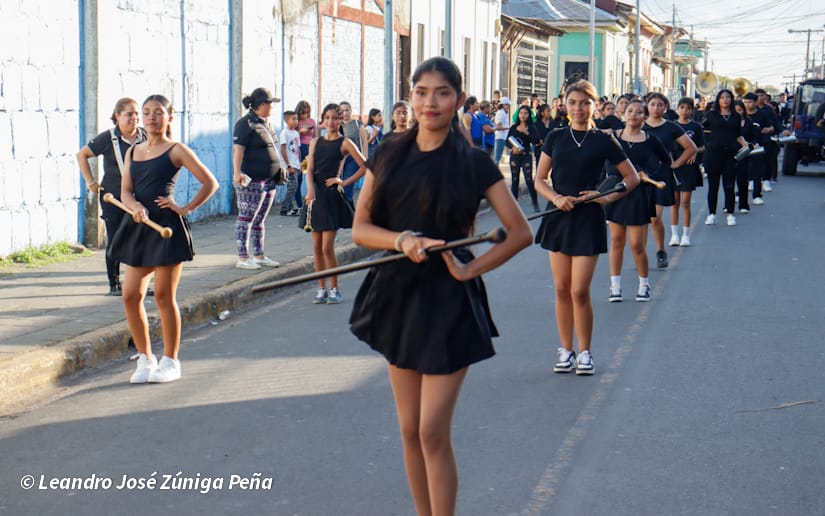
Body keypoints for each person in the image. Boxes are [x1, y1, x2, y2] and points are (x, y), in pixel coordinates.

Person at [349, 56, 531, 516]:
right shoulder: (388, 152)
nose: (431, 102)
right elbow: (361, 229)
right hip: (396, 293)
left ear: (459, 100)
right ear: (411, 96)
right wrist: (401, 239)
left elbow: (519, 232)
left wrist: (472, 269)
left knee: (432, 430)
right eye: (422, 92)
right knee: (409, 429)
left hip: (449, 299)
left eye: (442, 93)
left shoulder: (473, 163)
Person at [534, 80, 639, 376]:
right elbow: (539, 179)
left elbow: (631, 178)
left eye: (584, 102)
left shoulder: (604, 139)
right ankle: (565, 350)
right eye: (573, 102)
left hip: (588, 217)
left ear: (594, 104)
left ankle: (585, 352)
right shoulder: (556, 137)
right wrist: (556, 197)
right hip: (558, 214)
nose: (578, 108)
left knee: (580, 291)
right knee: (561, 288)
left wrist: (604, 197)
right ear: (564, 105)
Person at [110, 94, 219, 383]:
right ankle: (146, 360)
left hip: (167, 228)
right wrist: (134, 207)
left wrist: (185, 208)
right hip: (141, 228)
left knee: (162, 296)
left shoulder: (176, 150)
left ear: (169, 117)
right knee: (130, 295)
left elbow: (211, 182)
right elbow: (125, 192)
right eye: (146, 112)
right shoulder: (133, 151)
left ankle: (171, 361)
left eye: (158, 113)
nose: (150, 118)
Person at [76, 97, 147, 295]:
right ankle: (114, 284)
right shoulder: (107, 138)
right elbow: (82, 155)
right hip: (113, 197)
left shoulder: (145, 136)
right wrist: (91, 182)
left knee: (140, 239)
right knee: (115, 239)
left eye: (136, 114)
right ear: (117, 116)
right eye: (129, 114)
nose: (134, 118)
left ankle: (140, 284)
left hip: (139, 198)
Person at [299, 103, 366, 304]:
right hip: (315, 196)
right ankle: (321, 289)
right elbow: (309, 169)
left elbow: (365, 166)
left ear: (340, 120)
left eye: (335, 118)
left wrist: (343, 182)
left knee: (328, 247)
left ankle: (334, 288)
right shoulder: (315, 142)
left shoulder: (345, 143)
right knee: (316, 247)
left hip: (331, 196)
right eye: (327, 117)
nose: (331, 121)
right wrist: (309, 190)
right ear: (322, 120)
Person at [605, 99, 670, 302]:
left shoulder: (651, 140)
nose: (633, 114)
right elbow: (605, 164)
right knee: (616, 241)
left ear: (645, 116)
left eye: (639, 112)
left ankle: (644, 284)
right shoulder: (612, 138)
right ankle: (615, 286)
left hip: (639, 193)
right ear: (623, 114)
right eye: (630, 111)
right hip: (616, 191)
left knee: (636, 244)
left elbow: (665, 161)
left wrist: (647, 172)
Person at [232, 87, 284, 270]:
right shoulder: (245, 123)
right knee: (246, 218)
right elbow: (238, 150)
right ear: (262, 104)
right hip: (251, 180)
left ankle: (259, 255)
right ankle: (243, 257)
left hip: (268, 181)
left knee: (259, 219)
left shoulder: (265, 123)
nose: (272, 107)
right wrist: (237, 172)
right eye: (270, 103)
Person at [643, 93, 696, 268]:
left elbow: (691, 147)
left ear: (665, 107)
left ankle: (660, 250)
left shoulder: (671, 127)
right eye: (653, 104)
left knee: (655, 217)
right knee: (640, 219)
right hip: (640, 175)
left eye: (660, 105)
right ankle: (640, 253)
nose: (656, 108)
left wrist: (675, 165)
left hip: (661, 176)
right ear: (647, 106)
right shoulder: (639, 125)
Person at [702, 89, 750, 227]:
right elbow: (702, 130)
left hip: (731, 154)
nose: (725, 100)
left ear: (732, 99)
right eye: (722, 97)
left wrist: (746, 145)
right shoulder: (711, 115)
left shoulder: (735, 116)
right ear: (718, 100)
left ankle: (730, 213)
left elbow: (739, 135)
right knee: (713, 185)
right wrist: (706, 144)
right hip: (713, 154)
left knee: (729, 185)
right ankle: (712, 214)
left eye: (728, 97)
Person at [670, 97, 705, 247]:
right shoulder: (671, 126)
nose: (685, 111)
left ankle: (685, 234)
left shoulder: (696, 127)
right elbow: (666, 146)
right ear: (677, 109)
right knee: (674, 202)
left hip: (689, 167)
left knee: (685, 202)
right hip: (674, 166)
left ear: (692, 110)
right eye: (682, 107)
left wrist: (694, 152)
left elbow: (702, 146)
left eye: (688, 108)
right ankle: (674, 235)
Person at [505, 105, 540, 212]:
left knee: (529, 180)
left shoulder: (532, 127)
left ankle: (535, 202)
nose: (523, 115)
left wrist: (527, 133)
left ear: (529, 115)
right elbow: (507, 141)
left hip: (526, 155)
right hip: (515, 156)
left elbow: (536, 141)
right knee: (514, 180)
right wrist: (512, 148)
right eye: (521, 113)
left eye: (525, 113)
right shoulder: (513, 127)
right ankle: (514, 205)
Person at [339, 101, 369, 203]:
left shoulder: (357, 124)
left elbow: (364, 142)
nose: (345, 113)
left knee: (347, 185)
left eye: (347, 110)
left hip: (354, 157)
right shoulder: (337, 125)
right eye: (342, 110)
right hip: (340, 159)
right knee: (339, 185)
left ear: (351, 111)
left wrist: (365, 158)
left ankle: (349, 212)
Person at [295, 100, 318, 208]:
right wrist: (300, 132)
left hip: (311, 149)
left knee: (313, 175)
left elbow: (316, 137)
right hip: (300, 148)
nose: (305, 115)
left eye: (307, 112)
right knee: (298, 178)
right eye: (303, 112)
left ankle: (314, 201)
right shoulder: (296, 122)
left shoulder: (312, 121)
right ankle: (299, 205)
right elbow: (292, 136)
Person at [279, 110, 302, 216]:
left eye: (296, 118)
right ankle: (284, 208)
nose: (296, 121)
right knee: (293, 185)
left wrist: (300, 164)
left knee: (292, 187)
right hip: (289, 165)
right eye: (293, 119)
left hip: (296, 164)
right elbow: (283, 149)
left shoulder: (296, 133)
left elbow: (297, 149)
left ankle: (290, 208)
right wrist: (288, 165)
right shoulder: (284, 133)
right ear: (286, 121)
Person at [492, 96, 511, 166]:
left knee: (498, 156)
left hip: (503, 136)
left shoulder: (504, 113)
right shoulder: (501, 113)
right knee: (497, 157)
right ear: (503, 105)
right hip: (500, 137)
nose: (508, 106)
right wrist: (508, 128)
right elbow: (498, 126)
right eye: (507, 105)